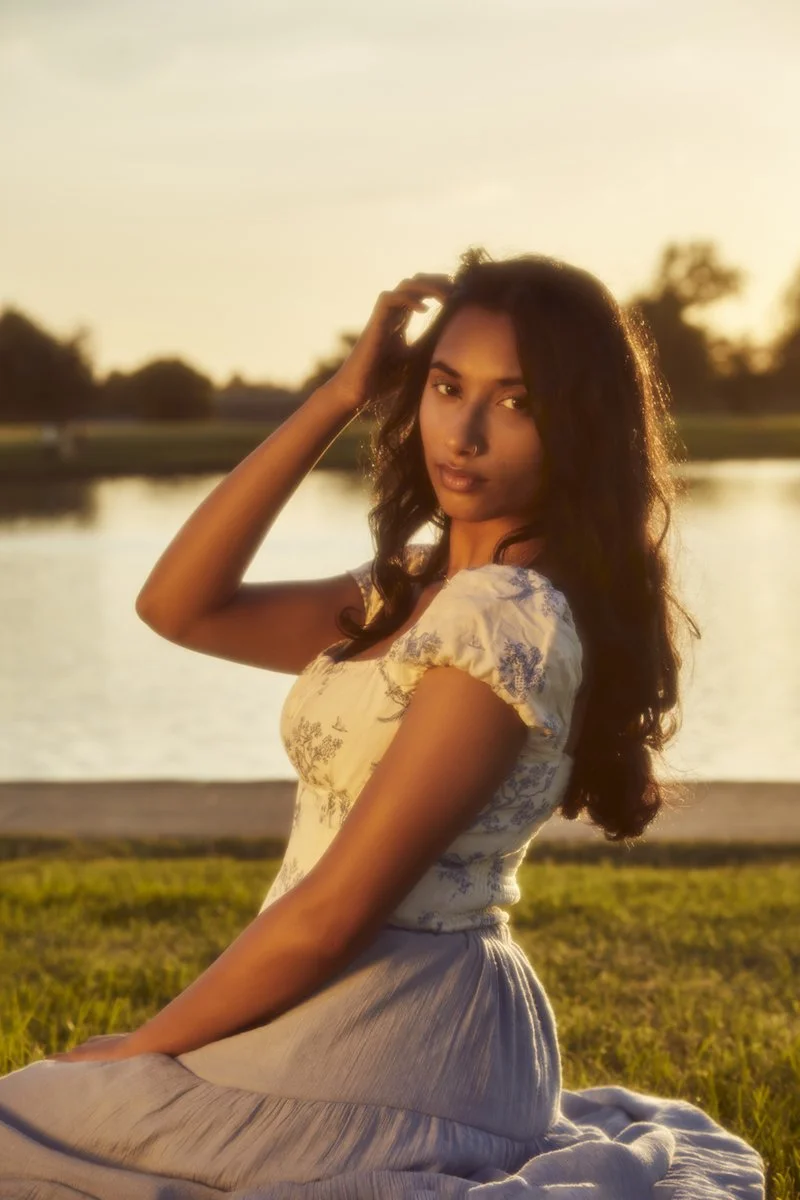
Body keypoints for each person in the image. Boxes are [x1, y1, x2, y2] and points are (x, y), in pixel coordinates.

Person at [0, 249, 766, 1197]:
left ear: (582, 426)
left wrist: (143, 1048)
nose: (468, 431)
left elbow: (334, 913)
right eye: (448, 387)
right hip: (337, 1003)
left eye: (517, 402)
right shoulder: (414, 589)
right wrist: (336, 397)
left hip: (404, 1023)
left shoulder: (503, 619)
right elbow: (178, 606)